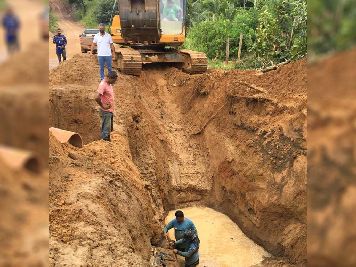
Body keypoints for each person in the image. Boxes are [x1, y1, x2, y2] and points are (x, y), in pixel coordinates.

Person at [95, 71, 118, 142]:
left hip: (109, 111)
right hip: (106, 111)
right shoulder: (103, 85)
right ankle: (105, 143)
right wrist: (103, 106)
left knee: (108, 129)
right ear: (110, 78)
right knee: (105, 129)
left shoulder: (108, 83)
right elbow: (97, 97)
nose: (114, 82)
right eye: (114, 81)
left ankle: (107, 141)